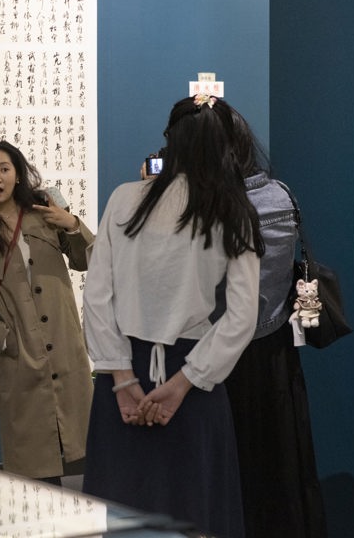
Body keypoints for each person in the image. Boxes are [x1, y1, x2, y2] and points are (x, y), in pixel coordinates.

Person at [81, 94, 264, 538]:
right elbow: (241, 317)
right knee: (195, 512)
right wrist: (184, 383)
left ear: (170, 139)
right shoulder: (232, 210)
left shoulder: (124, 198)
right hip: (193, 382)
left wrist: (123, 380)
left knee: (123, 510)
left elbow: (97, 296)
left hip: (123, 377)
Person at [0, 140, 94, 484]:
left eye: (4, 169)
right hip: (20, 358)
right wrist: (3, 338)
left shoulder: (44, 213)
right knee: (34, 467)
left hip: (65, 346)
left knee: (90, 456)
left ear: (17, 175)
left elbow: (90, 259)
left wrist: (71, 223)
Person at [219, 111, 327, 538]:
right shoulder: (281, 195)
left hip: (220, 356)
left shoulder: (207, 208)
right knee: (281, 464)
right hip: (277, 349)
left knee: (230, 468)